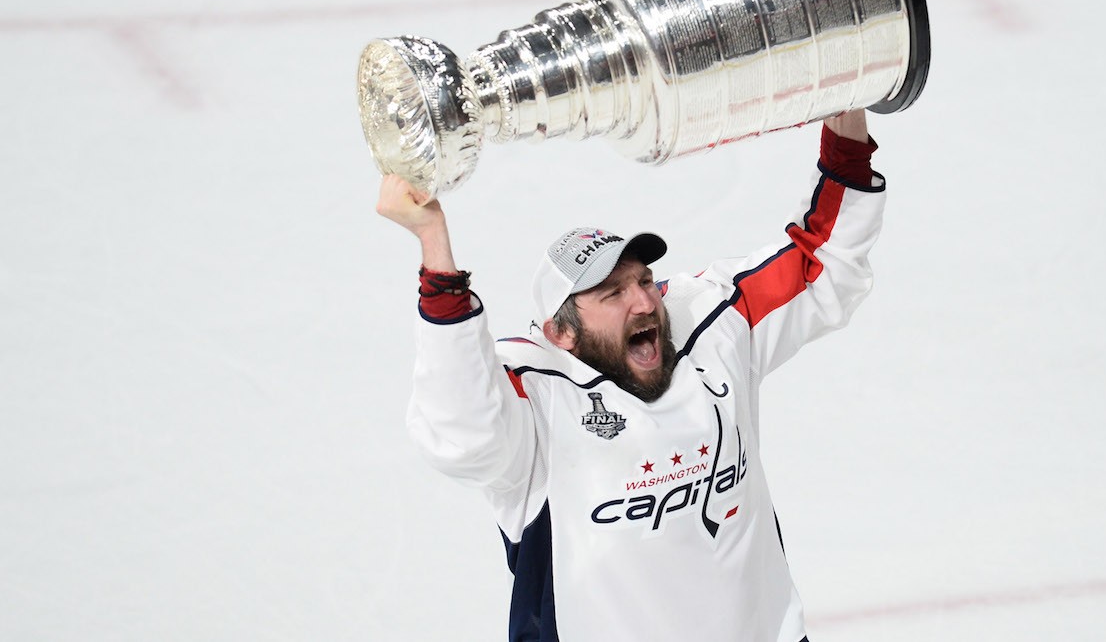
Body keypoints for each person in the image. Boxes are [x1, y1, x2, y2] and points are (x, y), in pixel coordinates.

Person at [375, 109, 884, 642]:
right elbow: (461, 430)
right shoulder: (536, 397)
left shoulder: (708, 326)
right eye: (612, 294)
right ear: (560, 332)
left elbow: (822, 264)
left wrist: (846, 107)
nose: (644, 302)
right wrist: (435, 248)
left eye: (644, 280)